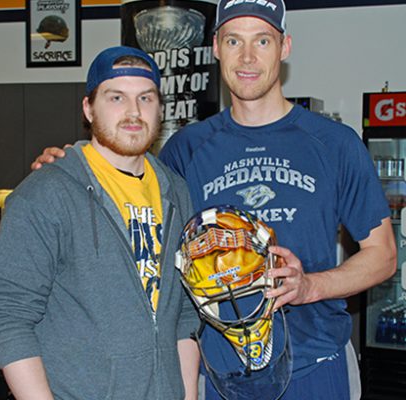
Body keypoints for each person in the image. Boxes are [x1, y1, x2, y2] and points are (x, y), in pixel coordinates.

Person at [31, 1, 397, 399]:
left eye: (262, 41)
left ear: (285, 47)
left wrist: (310, 286)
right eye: (234, 41)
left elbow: (383, 255)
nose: (248, 57)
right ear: (217, 48)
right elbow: (121, 186)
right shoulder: (184, 149)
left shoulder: (334, 144)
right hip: (219, 373)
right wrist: (71, 166)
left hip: (314, 365)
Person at [0, 45, 200, 400]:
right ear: (88, 108)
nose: (134, 112)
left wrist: (187, 395)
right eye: (116, 98)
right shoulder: (46, 194)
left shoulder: (175, 191)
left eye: (145, 98)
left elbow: (184, 314)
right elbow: (9, 316)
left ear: (160, 108)